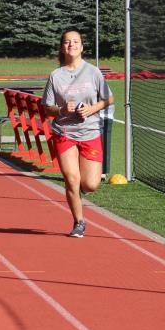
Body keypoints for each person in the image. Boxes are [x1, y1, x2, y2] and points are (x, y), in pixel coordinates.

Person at [41, 29, 114, 238]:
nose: (71, 45)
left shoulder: (93, 72)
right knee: (71, 178)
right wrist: (62, 110)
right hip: (64, 132)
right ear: (62, 47)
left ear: (82, 47)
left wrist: (92, 109)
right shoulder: (56, 76)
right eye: (67, 42)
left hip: (90, 132)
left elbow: (109, 98)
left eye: (75, 41)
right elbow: (46, 107)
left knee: (90, 184)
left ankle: (80, 190)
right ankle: (79, 222)